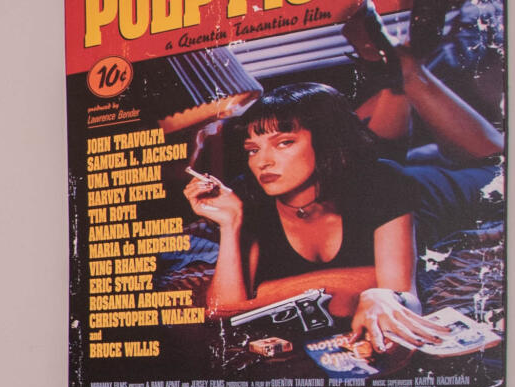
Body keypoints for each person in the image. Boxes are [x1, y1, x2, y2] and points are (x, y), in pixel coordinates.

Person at [182, 79, 447, 355]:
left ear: (326, 141)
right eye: (253, 149)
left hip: (442, 190)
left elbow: (404, 298)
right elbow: (224, 312)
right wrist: (230, 223)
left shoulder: (382, 182)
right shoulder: (248, 197)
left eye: (283, 143)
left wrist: (378, 293)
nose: (262, 162)